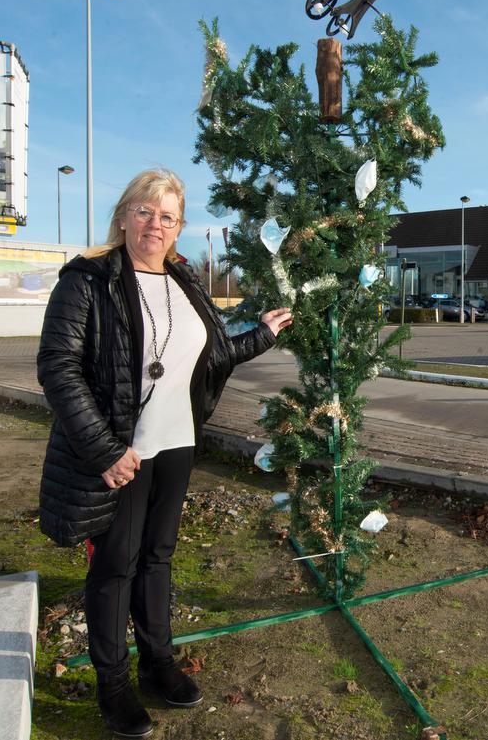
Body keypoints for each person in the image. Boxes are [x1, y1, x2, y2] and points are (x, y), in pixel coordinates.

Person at [37, 168, 292, 738]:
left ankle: (158, 663)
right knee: (114, 566)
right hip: (123, 454)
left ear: (179, 228)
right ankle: (114, 684)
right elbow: (58, 369)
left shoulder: (183, 279)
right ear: (125, 215)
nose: (156, 224)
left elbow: (208, 354)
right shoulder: (89, 279)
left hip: (178, 443)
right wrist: (105, 450)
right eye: (146, 211)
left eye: (168, 216)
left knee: (158, 558)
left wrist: (263, 336)